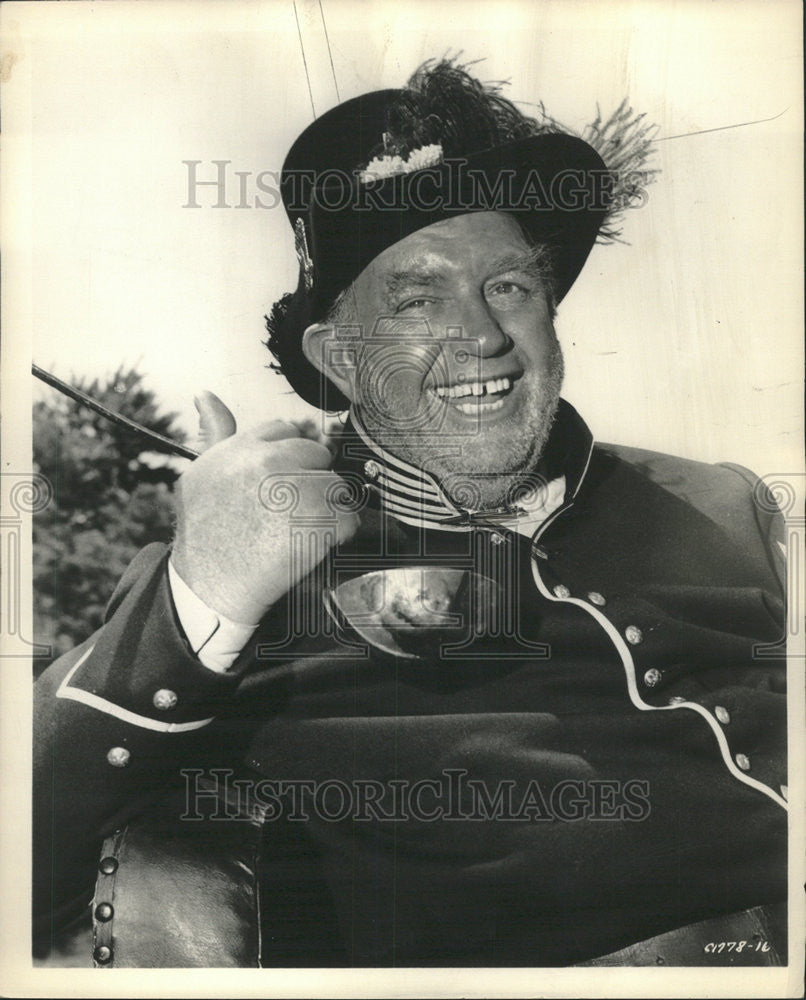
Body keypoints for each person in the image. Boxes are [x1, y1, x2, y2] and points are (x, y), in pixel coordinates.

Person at [33, 59, 788, 968]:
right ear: (341, 359)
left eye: (508, 286)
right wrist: (205, 593)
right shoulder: (242, 582)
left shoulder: (729, 504)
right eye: (418, 300)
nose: (481, 336)